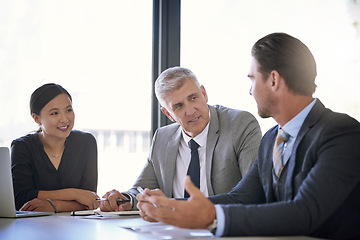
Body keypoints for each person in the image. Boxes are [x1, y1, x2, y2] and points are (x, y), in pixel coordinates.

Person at [136, 33, 360, 240]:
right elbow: (241, 197)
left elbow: (305, 211)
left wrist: (212, 218)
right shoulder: (272, 138)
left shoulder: (341, 133)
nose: (250, 91)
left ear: (273, 80)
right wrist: (168, 206)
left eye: (252, 79)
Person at [99, 67, 262, 212]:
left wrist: (173, 204)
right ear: (168, 114)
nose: (190, 111)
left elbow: (254, 194)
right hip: (174, 231)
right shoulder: (162, 138)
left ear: (204, 94)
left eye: (193, 98)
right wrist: (126, 199)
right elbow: (142, 189)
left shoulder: (240, 125)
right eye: (178, 106)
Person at [11, 83, 100, 212]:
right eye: (54, 113)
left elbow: (91, 200)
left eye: (68, 110)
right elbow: (21, 197)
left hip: (77, 226)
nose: (65, 119)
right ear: (36, 119)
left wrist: (53, 206)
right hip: (33, 227)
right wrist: (74, 194)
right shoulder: (22, 147)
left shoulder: (86, 142)